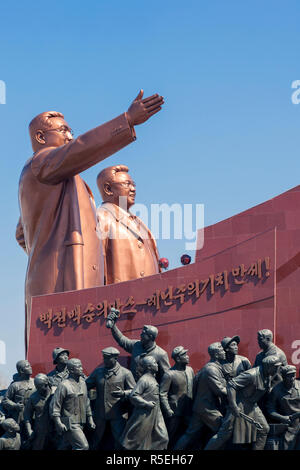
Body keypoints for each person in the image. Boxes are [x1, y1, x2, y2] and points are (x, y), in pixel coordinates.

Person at [16, 90, 164, 350]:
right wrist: (126, 120)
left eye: (70, 131)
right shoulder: (40, 164)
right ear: (41, 137)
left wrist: (46, 241)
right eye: (63, 131)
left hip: (74, 279)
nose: (70, 136)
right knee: (61, 356)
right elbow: (80, 149)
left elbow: (22, 232)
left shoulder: (63, 178)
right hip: (59, 278)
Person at [96, 165, 161, 284]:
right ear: (108, 189)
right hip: (118, 300)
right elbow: (95, 267)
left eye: (133, 184)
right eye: (126, 184)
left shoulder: (141, 224)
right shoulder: (101, 218)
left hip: (153, 298)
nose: (133, 189)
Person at [204, 355, 282, 450]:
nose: (278, 369)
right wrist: (233, 406)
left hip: (253, 406)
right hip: (239, 405)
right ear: (268, 366)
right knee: (224, 434)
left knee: (263, 429)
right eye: (276, 367)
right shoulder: (251, 375)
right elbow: (231, 385)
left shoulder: (268, 375)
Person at [174, 342, 227, 450]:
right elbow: (220, 390)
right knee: (224, 430)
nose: (224, 352)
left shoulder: (212, 367)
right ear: (216, 355)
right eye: (221, 350)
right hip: (208, 408)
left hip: (201, 407)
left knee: (190, 435)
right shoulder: (211, 369)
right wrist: (235, 391)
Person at [86, 347, 136, 450]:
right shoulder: (98, 372)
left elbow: (134, 391)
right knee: (95, 439)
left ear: (115, 358)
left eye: (108, 358)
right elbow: (85, 385)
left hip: (117, 413)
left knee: (120, 440)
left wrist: (123, 393)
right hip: (100, 413)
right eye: (104, 358)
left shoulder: (125, 373)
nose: (105, 360)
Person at [106, 308, 170, 383]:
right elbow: (122, 340)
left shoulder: (161, 354)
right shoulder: (136, 345)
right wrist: (113, 326)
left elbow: (166, 378)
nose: (140, 335)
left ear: (150, 337)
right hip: (133, 389)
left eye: (143, 334)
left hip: (149, 392)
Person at [121, 356, 168, 450]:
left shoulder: (152, 378)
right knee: (137, 441)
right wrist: (146, 404)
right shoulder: (144, 380)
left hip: (156, 413)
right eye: (154, 363)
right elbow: (133, 395)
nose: (157, 365)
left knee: (163, 437)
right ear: (149, 367)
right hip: (145, 415)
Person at [51, 358, 95, 450]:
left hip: (81, 421)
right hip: (70, 423)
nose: (81, 368)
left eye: (81, 366)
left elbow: (86, 402)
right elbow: (55, 406)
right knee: (83, 446)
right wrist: (58, 423)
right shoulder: (64, 385)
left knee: (64, 446)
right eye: (78, 367)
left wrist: (90, 418)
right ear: (71, 370)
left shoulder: (83, 383)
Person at [159, 346, 194, 447]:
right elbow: (162, 394)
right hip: (175, 411)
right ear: (178, 359)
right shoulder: (169, 374)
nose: (187, 357)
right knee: (171, 435)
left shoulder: (190, 370)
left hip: (188, 409)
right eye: (184, 355)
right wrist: (168, 410)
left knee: (187, 434)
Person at [266, 365, 300, 450]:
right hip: (288, 423)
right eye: (289, 376)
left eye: (294, 375)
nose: (292, 378)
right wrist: (282, 418)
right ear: (283, 377)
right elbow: (270, 410)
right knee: (287, 442)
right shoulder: (276, 390)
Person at [2, 360, 35, 440]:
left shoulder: (35, 382)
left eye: (30, 365)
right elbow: (5, 400)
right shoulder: (15, 385)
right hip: (20, 417)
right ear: (21, 370)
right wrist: (15, 405)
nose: (30, 368)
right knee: (22, 438)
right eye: (27, 366)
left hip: (34, 415)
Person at [23, 373, 55, 450]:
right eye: (36, 387)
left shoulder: (56, 393)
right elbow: (27, 416)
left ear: (46, 384)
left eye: (40, 387)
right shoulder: (33, 397)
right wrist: (29, 431)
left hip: (55, 429)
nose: (37, 389)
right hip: (40, 430)